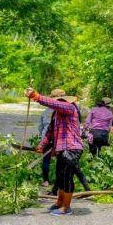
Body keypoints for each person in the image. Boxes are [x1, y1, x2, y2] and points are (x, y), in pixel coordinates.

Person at [28, 87, 84, 216]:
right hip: (61, 149)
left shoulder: (69, 107)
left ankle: (66, 207)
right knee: (60, 177)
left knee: (67, 178)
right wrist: (42, 145)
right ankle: (59, 203)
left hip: (72, 148)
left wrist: (36, 96)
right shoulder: (56, 114)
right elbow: (49, 131)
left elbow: (55, 104)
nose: (56, 103)